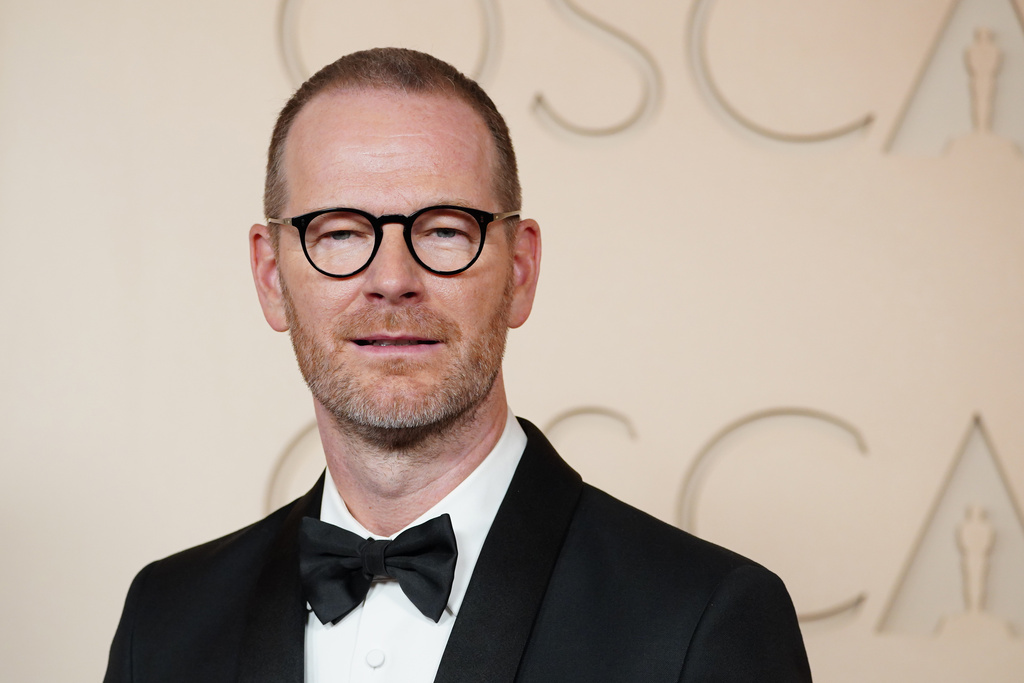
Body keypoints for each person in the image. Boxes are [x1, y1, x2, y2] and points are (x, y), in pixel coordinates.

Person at [104, 48, 812, 682]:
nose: (391, 279)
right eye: (342, 233)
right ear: (270, 276)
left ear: (521, 270)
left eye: (444, 230)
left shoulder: (704, 620)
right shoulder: (163, 619)